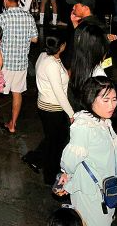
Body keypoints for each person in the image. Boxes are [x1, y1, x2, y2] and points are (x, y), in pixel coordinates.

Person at [58, 77, 117, 226]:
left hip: (106, 189)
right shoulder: (84, 126)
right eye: (106, 100)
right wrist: (66, 173)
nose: (112, 105)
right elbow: (70, 159)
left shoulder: (103, 120)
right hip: (91, 193)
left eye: (114, 99)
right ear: (91, 99)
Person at [22, 31, 74, 185]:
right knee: (56, 144)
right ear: (62, 46)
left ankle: (34, 158)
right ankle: (50, 176)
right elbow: (59, 92)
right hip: (52, 108)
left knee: (53, 138)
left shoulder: (44, 56)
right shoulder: (51, 63)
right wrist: (71, 113)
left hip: (46, 105)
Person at [0, 0, 38, 133]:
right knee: (17, 93)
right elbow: (35, 39)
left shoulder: (3, 17)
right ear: (18, 1)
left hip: (5, 63)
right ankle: (13, 124)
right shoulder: (29, 17)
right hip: (21, 63)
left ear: (5, 0)